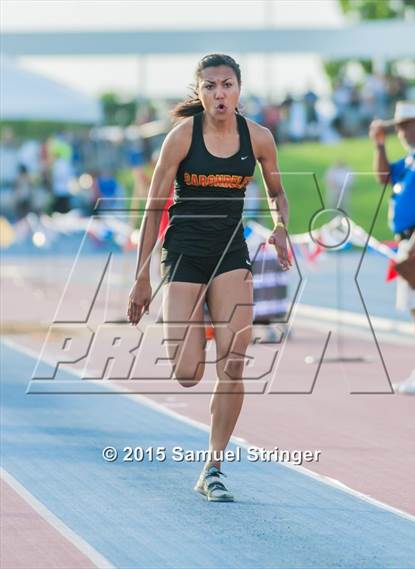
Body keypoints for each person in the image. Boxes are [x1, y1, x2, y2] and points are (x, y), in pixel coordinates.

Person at [127, 53, 291, 501]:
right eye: (211, 86)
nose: (220, 93)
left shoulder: (258, 138)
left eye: (227, 85)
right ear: (199, 93)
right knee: (186, 373)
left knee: (234, 363)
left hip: (231, 255)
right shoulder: (182, 138)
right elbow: (154, 207)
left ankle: (213, 467)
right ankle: (199, 319)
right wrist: (141, 277)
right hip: (183, 255)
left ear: (239, 89)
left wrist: (280, 227)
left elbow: (277, 191)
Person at [370, 101, 415, 395]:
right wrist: (378, 146)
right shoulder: (412, 159)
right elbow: (383, 177)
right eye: (398, 126)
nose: (401, 132)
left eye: (407, 125)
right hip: (408, 241)